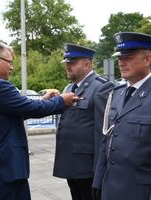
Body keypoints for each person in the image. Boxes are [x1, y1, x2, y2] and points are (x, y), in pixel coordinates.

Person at [0, 39, 77, 200]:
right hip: (6, 171)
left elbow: (16, 111)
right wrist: (62, 101)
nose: (12, 67)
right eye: (9, 62)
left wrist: (42, 99)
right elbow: (32, 109)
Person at [92, 32, 151, 200]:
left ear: (147, 60)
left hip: (141, 192)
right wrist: (98, 180)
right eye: (119, 58)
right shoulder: (116, 94)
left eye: (128, 57)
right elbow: (107, 141)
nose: (121, 62)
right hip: (110, 188)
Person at [52, 44, 115, 200]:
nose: (68, 66)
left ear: (87, 64)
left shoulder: (101, 87)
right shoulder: (69, 87)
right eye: (66, 63)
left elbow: (104, 134)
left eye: (72, 63)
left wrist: (100, 170)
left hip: (87, 167)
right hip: (71, 163)